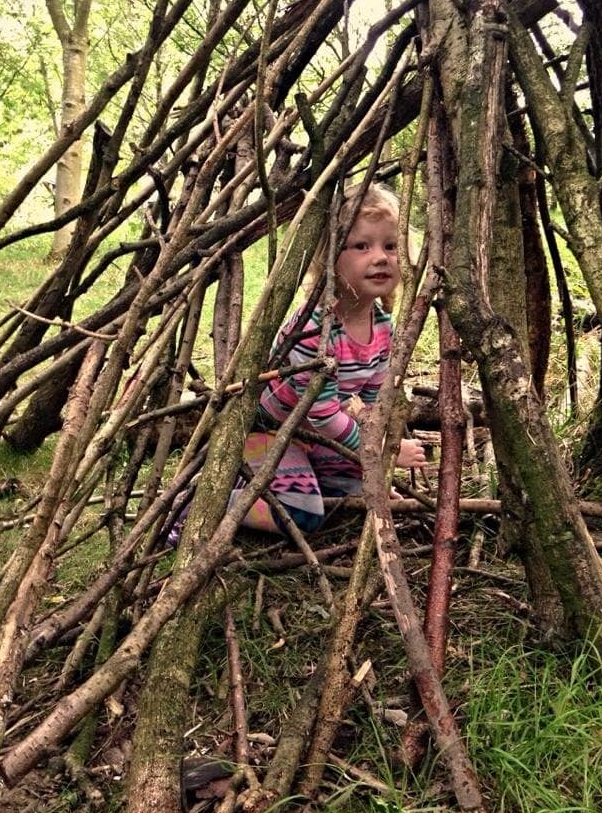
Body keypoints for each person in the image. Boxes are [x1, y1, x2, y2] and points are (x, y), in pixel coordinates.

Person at [168, 183, 426, 544]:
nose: (381, 257)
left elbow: (366, 403)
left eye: (391, 246)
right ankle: (202, 503)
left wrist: (372, 469)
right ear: (331, 256)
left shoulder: (383, 328)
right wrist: (382, 451)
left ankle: (306, 482)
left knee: (359, 494)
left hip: (321, 438)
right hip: (272, 434)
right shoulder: (312, 330)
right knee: (304, 515)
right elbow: (321, 413)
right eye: (362, 246)